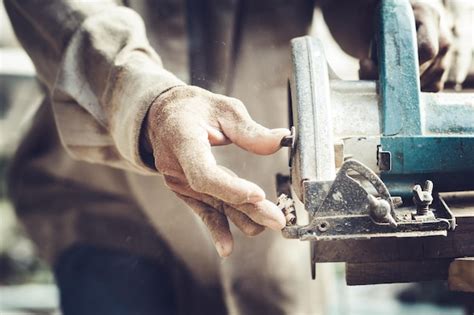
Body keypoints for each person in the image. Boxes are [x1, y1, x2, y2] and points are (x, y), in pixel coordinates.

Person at [4, 0, 469, 314]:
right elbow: (65, 15)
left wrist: (415, 16)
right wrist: (148, 102)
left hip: (273, 220)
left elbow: (371, 15)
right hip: (107, 203)